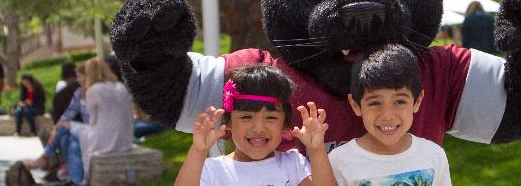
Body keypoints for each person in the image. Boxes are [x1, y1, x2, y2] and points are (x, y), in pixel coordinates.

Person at [174, 65, 336, 186]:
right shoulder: (209, 169)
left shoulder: (294, 164)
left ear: (285, 123)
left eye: (271, 118)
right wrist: (198, 151)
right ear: (228, 122)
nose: (259, 128)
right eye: (246, 117)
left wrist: (316, 150)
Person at [329, 44, 451, 185]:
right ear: (356, 105)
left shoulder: (434, 155)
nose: (387, 115)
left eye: (399, 101)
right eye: (375, 103)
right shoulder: (339, 161)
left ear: (417, 101)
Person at [66, 58, 133, 185]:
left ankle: (76, 180)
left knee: (72, 133)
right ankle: (75, 180)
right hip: (126, 139)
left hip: (106, 139)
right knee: (74, 143)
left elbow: (93, 122)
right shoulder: (120, 86)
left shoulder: (93, 90)